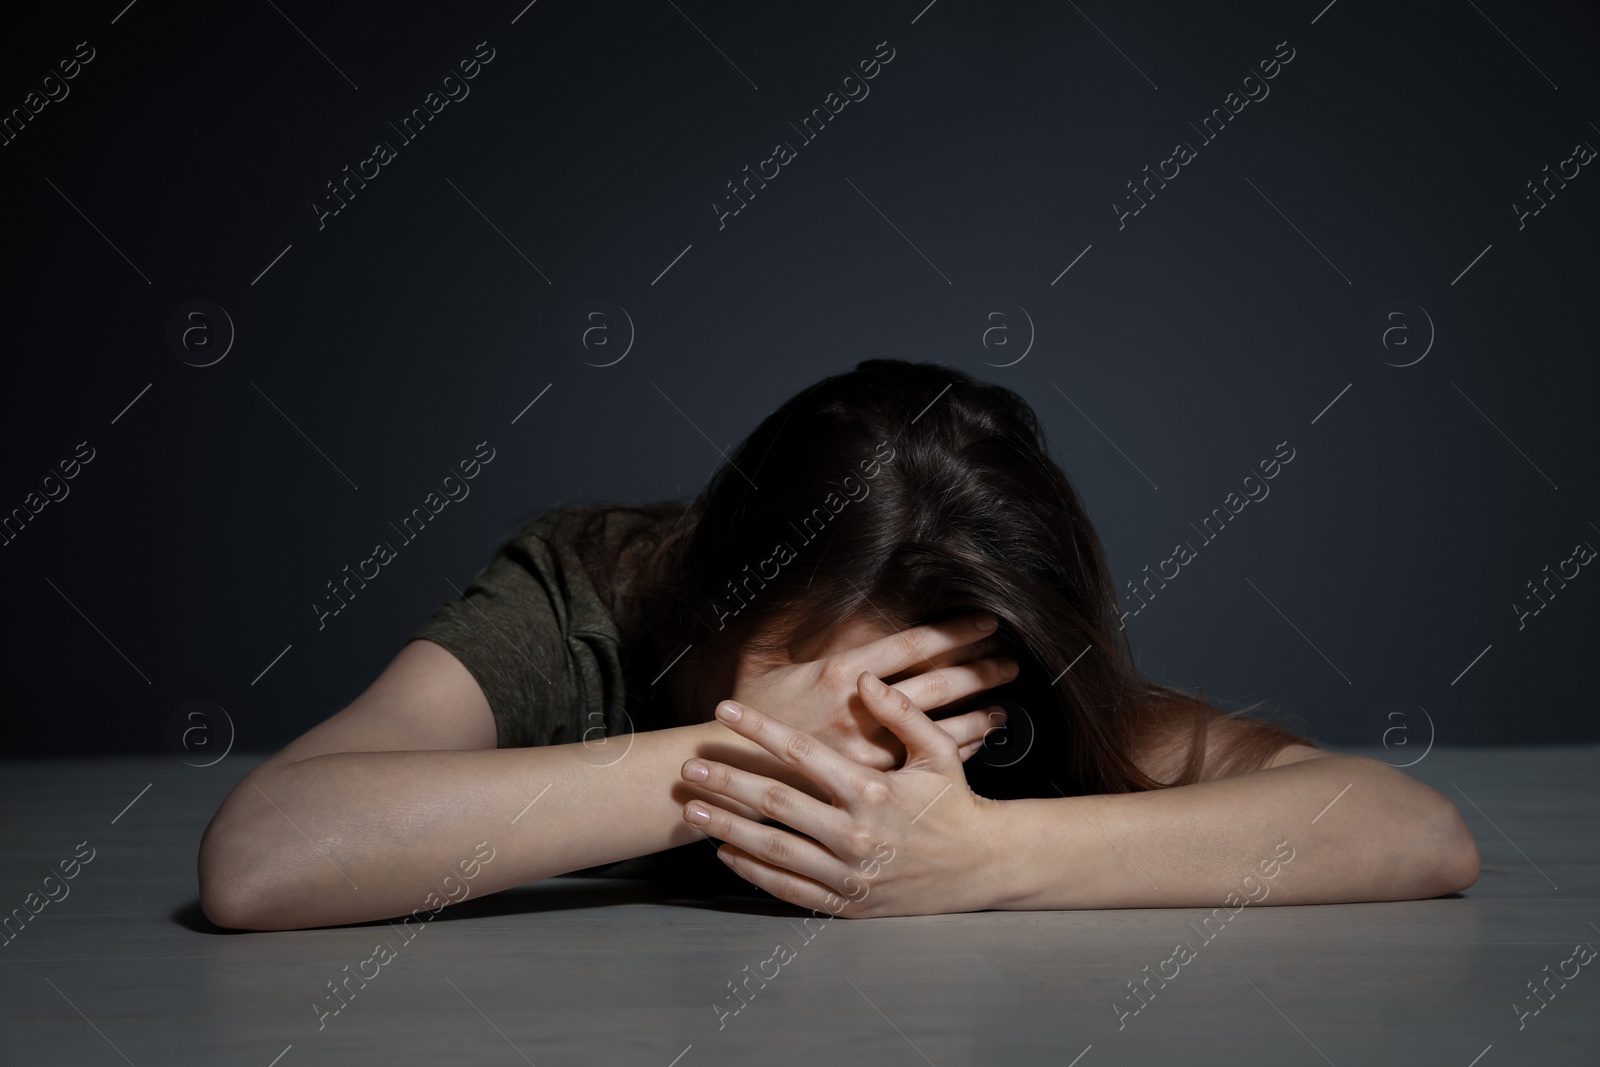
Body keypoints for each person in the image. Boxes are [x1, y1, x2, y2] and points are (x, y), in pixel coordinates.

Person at [197, 360, 1479, 930]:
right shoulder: (585, 598)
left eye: (900, 710)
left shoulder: (1006, 696)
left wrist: (979, 856)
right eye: (822, 694)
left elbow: (1411, 831)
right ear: (712, 597)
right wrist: (723, 757)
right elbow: (267, 855)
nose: (854, 768)